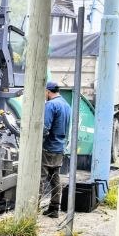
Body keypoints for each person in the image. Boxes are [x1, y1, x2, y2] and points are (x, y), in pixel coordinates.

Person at [42, 81, 72, 218]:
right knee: (55, 178)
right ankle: (54, 209)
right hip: (59, 147)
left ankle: (31, 211)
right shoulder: (66, 105)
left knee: (39, 179)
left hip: (48, 147)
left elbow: (45, 128)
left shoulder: (50, 105)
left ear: (48, 91)